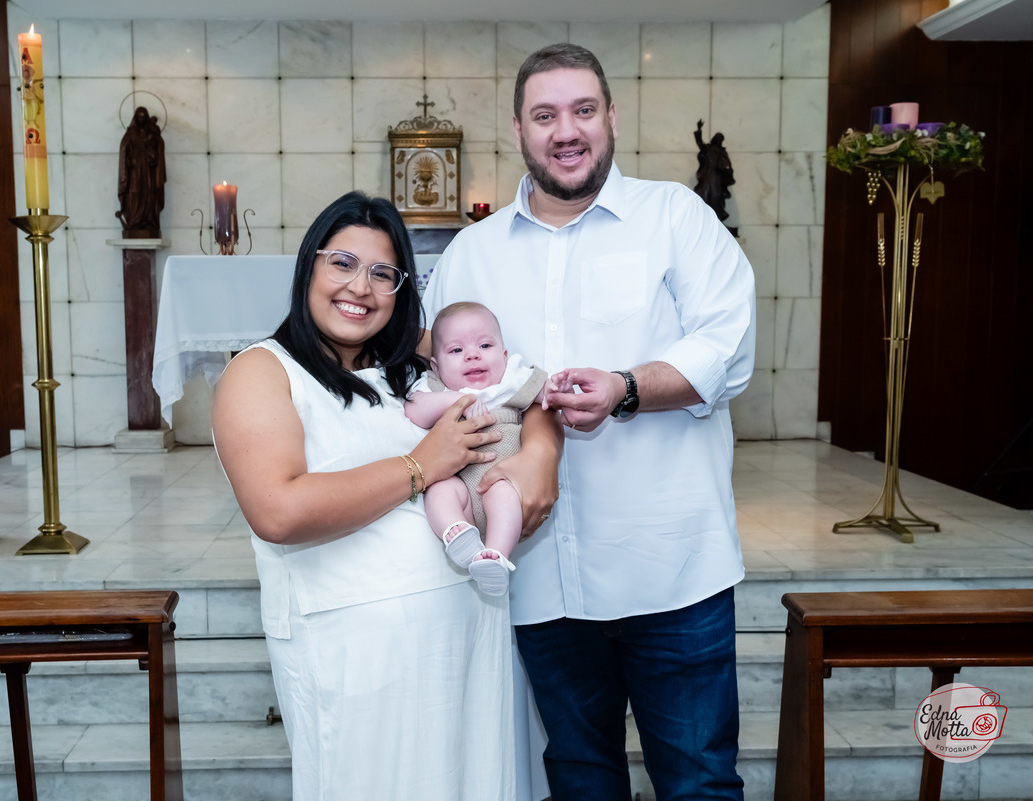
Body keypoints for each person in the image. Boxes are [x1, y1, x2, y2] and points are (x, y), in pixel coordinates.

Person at [423, 43, 756, 801]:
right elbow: (429, 374)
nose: (566, 131)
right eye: (545, 115)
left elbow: (729, 349)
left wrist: (626, 387)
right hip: (540, 581)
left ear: (611, 116)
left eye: (582, 110)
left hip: (673, 569)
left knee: (700, 783)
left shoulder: (675, 217)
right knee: (579, 780)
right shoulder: (470, 255)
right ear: (518, 129)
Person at [212, 191, 522, 800]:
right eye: (343, 263)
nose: (361, 287)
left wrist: (540, 454)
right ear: (309, 266)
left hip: (465, 639)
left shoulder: (410, 365)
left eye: (383, 273)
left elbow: (520, 380)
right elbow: (278, 511)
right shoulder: (262, 371)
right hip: (356, 659)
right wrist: (421, 465)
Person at [405, 302, 550, 596]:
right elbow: (414, 410)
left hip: (503, 484)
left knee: (503, 490)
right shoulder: (436, 388)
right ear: (436, 366)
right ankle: (456, 533)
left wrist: (559, 389)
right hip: (461, 495)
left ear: (504, 356)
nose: (472, 355)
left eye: (485, 345)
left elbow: (546, 394)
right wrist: (457, 402)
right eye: (456, 350)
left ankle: (495, 556)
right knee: (440, 489)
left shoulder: (510, 381)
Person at [116, 105, 167, 236]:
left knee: (149, 193)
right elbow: (124, 151)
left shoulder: (151, 132)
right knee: (135, 194)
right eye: (139, 117)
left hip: (148, 170)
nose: (141, 120)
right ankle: (134, 220)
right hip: (134, 172)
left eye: (144, 117)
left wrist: (154, 138)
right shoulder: (130, 134)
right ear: (136, 118)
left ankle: (149, 220)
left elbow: (158, 146)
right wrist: (129, 160)